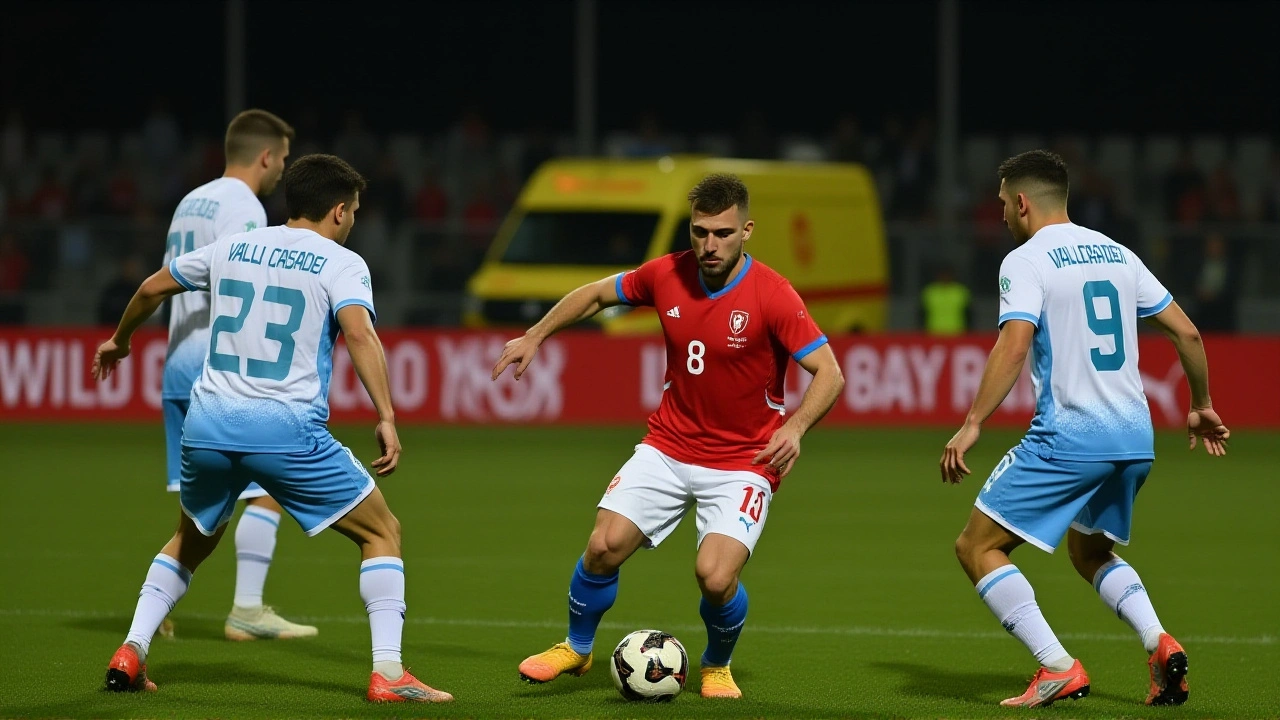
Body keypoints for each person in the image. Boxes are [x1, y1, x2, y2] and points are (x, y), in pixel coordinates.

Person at [94, 154, 453, 703]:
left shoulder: (233, 247)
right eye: (354, 211)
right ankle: (388, 672)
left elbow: (150, 288)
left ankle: (132, 649)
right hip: (284, 430)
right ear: (338, 210)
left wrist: (120, 340)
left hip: (207, 425)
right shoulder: (341, 262)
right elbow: (360, 334)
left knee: (189, 541)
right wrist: (385, 414)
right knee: (382, 532)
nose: (354, 221)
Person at [493, 173, 845, 699]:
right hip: (668, 446)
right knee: (603, 546)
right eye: (700, 232)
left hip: (744, 461)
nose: (710, 245)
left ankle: (716, 664)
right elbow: (596, 295)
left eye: (723, 233)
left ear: (746, 231)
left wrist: (795, 428)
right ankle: (577, 647)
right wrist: (536, 334)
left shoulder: (773, 294)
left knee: (716, 578)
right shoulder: (666, 274)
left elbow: (830, 373)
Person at [940, 150, 1229, 708]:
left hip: (1069, 437)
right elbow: (1188, 334)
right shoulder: (1119, 254)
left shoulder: (1026, 260)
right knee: (1089, 551)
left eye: (1002, 204)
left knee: (976, 546)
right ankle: (1159, 642)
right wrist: (1202, 404)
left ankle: (1056, 666)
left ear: (1022, 202)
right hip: (1134, 440)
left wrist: (973, 422)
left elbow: (1014, 344)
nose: (1001, 214)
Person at [157, 109, 315, 641]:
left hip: (177, 361)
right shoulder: (245, 207)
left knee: (196, 507)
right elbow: (245, 282)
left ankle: (156, 606)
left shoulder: (191, 200)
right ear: (266, 156)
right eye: (284, 158)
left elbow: (172, 276)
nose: (284, 169)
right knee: (267, 484)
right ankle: (247, 608)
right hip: (220, 369)